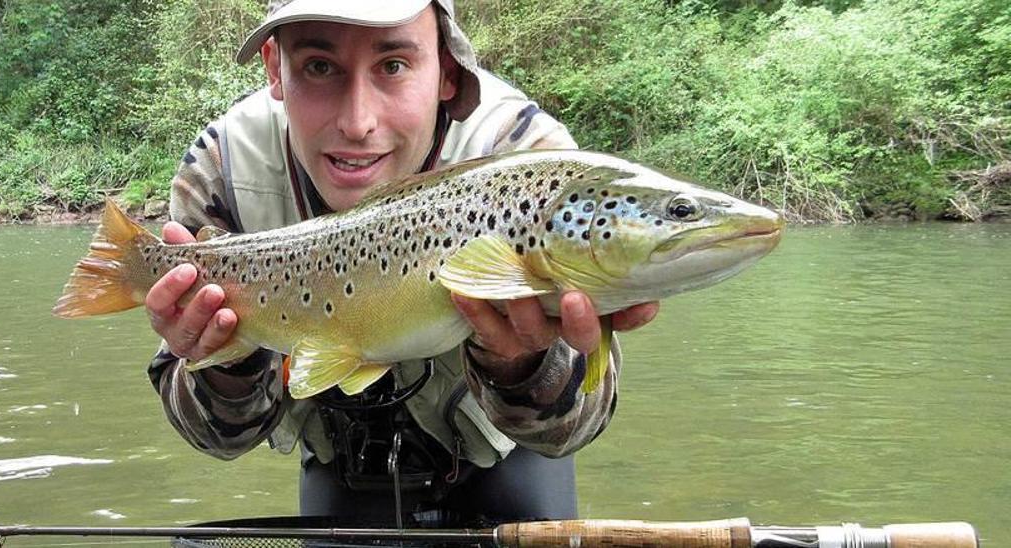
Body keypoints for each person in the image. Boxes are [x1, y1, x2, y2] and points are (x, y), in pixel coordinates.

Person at [144, 0, 659, 527]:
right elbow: (213, 438)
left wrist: (519, 364)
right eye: (320, 67)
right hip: (341, 465)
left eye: (393, 66)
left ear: (448, 70)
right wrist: (229, 358)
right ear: (275, 67)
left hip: (506, 457)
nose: (357, 123)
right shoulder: (222, 170)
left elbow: (577, 428)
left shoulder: (529, 163)